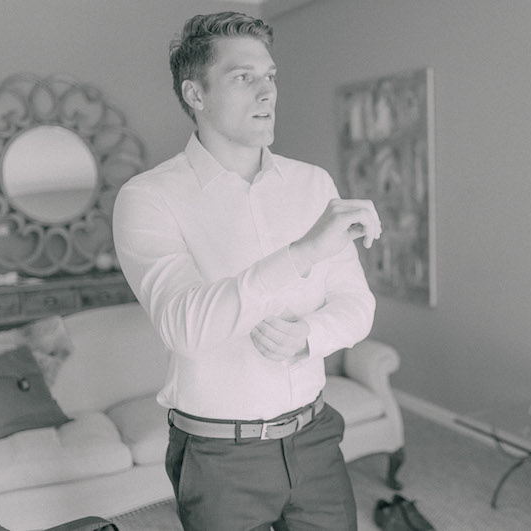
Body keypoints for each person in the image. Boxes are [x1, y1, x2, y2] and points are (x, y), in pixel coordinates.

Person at [112, 11, 381, 531]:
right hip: (220, 458)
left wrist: (310, 336)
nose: (267, 91)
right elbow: (184, 327)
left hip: (316, 439)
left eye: (270, 75)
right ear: (195, 94)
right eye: (243, 77)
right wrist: (301, 253)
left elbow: (357, 304)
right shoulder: (148, 198)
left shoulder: (313, 185)